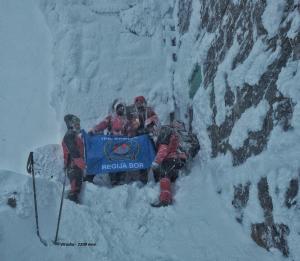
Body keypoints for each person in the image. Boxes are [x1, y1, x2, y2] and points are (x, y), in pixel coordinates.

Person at [89, 99, 140, 185]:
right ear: (116, 109)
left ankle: (121, 179)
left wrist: (131, 133)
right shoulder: (111, 119)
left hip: (124, 146)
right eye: (119, 108)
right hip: (112, 144)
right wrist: (93, 130)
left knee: (122, 162)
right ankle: (113, 179)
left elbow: (132, 131)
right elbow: (102, 125)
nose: (121, 110)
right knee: (112, 161)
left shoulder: (127, 121)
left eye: (122, 108)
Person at [151, 121, 188, 207]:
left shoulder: (166, 132)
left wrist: (156, 163)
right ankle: (167, 196)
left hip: (170, 159)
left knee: (164, 177)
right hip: (179, 161)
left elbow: (163, 149)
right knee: (168, 176)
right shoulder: (178, 135)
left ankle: (165, 200)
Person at [62, 114, 85, 203]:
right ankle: (71, 206)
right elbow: (74, 153)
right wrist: (84, 166)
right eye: (76, 123)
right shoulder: (69, 136)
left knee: (77, 188)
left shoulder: (75, 136)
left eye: (79, 123)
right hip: (73, 167)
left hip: (77, 167)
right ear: (70, 124)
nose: (78, 125)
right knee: (75, 190)